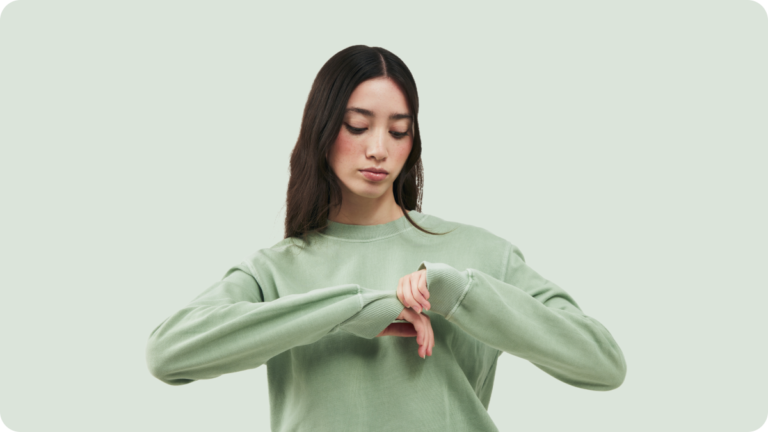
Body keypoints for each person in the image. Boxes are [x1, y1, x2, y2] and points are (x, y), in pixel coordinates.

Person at [145, 45, 627, 432]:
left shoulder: (480, 254)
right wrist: (351, 309)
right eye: (357, 126)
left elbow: (603, 364)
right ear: (321, 129)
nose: (378, 149)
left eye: (398, 131)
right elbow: (168, 354)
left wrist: (459, 292)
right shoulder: (274, 270)